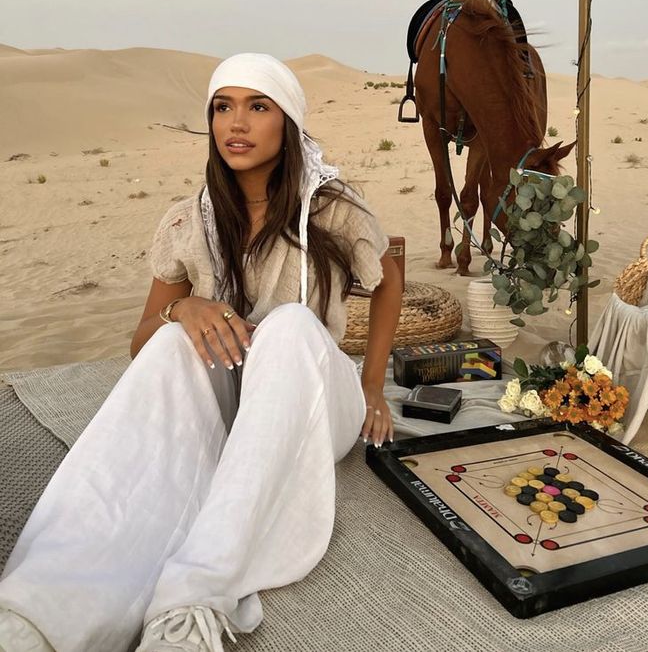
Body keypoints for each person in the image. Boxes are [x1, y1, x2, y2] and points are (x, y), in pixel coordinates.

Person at [0, 53, 403, 652]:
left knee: (289, 325)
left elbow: (390, 280)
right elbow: (141, 341)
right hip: (232, 405)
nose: (235, 123)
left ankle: (195, 593)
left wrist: (372, 383)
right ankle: (50, 605)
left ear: (287, 122)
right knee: (169, 343)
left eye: (257, 107)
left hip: (315, 405)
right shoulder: (189, 221)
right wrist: (180, 309)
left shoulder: (333, 209)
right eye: (222, 107)